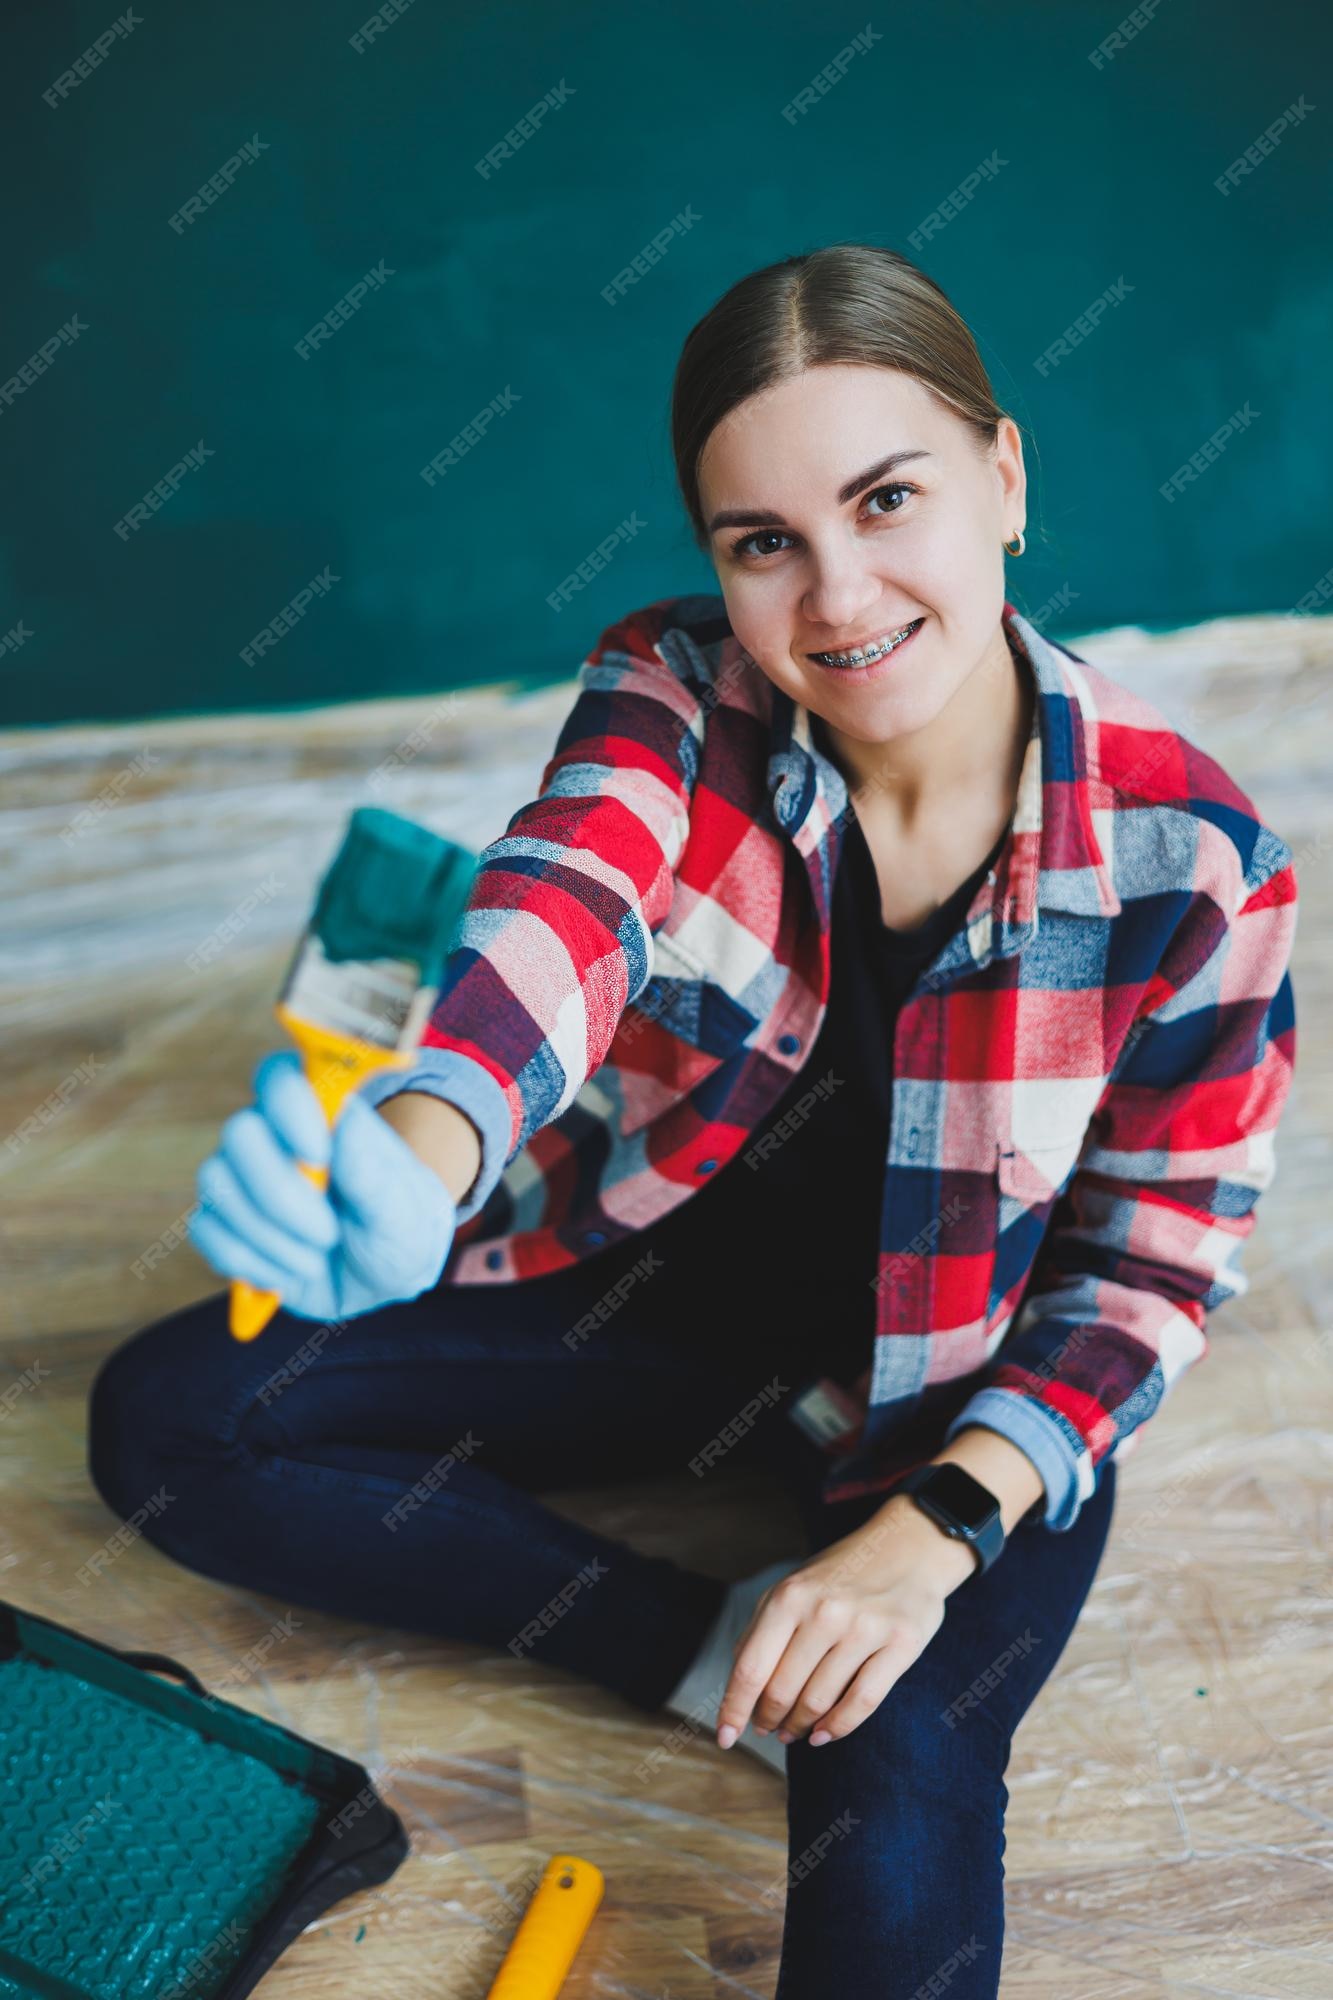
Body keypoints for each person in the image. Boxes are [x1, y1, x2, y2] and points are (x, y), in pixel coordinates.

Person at [87, 243, 1299, 1997]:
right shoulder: (672, 693)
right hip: (661, 1299)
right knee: (171, 1417)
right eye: (762, 543)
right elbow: (566, 901)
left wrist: (921, 1542)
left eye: (889, 500)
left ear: (1006, 479)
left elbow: (1154, 1265)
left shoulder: (1199, 858)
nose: (836, 596)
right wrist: (427, 1148)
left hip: (957, 1404)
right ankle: (695, 1641)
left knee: (896, 1816)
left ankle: (824, 1637)